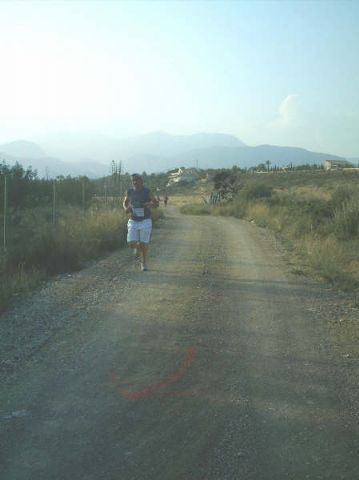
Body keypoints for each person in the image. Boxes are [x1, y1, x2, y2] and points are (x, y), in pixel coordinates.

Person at [123, 173, 159, 271]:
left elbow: (156, 204)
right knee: (130, 243)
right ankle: (138, 249)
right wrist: (126, 208)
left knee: (144, 243)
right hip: (133, 220)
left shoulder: (147, 191)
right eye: (133, 180)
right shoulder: (129, 191)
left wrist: (150, 204)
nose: (134, 182)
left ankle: (143, 263)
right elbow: (125, 202)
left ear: (141, 181)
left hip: (145, 220)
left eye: (136, 180)